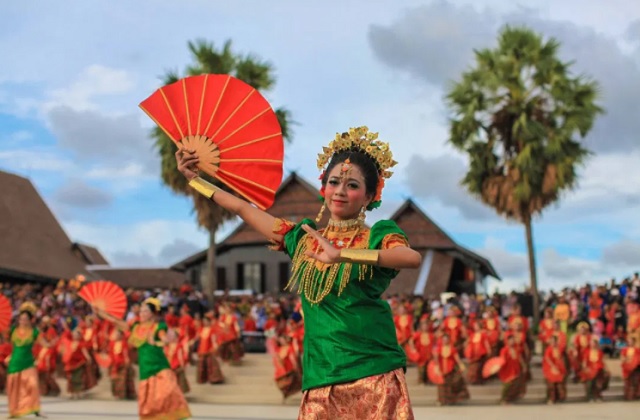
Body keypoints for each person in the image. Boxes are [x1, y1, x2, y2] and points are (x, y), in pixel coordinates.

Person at [176, 126, 421, 419]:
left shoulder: (377, 236)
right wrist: (195, 181)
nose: (340, 191)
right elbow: (243, 208)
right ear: (323, 188)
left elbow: (411, 257)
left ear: (370, 195)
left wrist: (342, 254)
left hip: (374, 375)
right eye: (334, 182)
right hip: (320, 375)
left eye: (352, 185)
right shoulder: (302, 238)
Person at [95, 298, 191, 420]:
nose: (142, 313)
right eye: (141, 311)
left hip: (160, 366)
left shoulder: (158, 327)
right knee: (150, 402)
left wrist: (157, 342)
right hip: (145, 368)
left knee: (168, 393)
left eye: (145, 311)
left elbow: (165, 340)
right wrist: (101, 312)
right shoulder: (135, 327)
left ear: (152, 313)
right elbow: (116, 321)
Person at [5, 302, 44, 418]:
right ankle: (15, 410)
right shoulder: (13, 330)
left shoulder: (34, 332)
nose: (23, 321)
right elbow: (8, 344)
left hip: (28, 362)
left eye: (26, 319)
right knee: (15, 389)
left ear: (30, 320)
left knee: (33, 385)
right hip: (15, 362)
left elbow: (43, 344)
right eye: (21, 319)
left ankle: (34, 407)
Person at [433, 333, 469, 406]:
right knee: (441, 386)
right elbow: (436, 358)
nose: (445, 341)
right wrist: (436, 366)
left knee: (450, 385)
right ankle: (441, 401)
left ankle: (450, 400)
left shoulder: (452, 349)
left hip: (450, 370)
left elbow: (457, 358)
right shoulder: (439, 349)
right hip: (441, 370)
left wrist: (461, 365)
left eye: (446, 339)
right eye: (444, 340)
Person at [542, 334, 567, 404]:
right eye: (552, 341)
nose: (553, 343)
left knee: (559, 384)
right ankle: (551, 398)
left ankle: (559, 398)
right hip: (550, 368)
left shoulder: (559, 348)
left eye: (554, 341)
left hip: (559, 368)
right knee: (551, 384)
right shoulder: (548, 349)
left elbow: (562, 357)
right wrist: (553, 366)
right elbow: (547, 358)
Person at [621, 336, 640, 401]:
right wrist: (627, 360)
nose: (630, 342)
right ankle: (628, 396)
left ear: (634, 342)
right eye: (629, 341)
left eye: (631, 341)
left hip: (635, 368)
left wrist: (634, 363)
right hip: (627, 367)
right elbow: (622, 358)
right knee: (627, 382)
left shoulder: (637, 350)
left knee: (635, 381)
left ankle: (635, 395)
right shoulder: (624, 349)